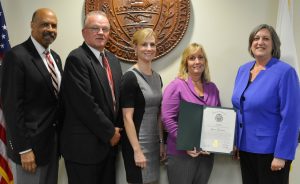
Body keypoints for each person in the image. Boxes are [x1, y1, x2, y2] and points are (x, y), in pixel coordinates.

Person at [232, 24, 300, 184]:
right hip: (245, 149)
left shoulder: (285, 72)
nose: (260, 42)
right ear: (251, 44)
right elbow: (239, 109)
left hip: (272, 153)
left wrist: (282, 154)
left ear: (274, 45)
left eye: (265, 38)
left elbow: (291, 117)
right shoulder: (243, 70)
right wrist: (234, 141)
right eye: (256, 38)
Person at [59, 11, 122, 184]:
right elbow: (84, 104)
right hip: (84, 150)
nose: (101, 32)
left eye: (105, 29)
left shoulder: (113, 60)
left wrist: (116, 132)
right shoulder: (76, 59)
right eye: (95, 28)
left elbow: (116, 102)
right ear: (84, 32)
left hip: (109, 148)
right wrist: (110, 132)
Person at [1, 8, 62, 184]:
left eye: (53, 25)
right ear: (32, 25)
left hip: (52, 145)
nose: (50, 29)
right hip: (30, 150)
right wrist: (23, 149)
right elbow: (11, 106)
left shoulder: (55, 58)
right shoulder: (16, 56)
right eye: (44, 24)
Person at [161, 43, 220, 184]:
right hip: (181, 155)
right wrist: (186, 143)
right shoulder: (176, 86)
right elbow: (167, 119)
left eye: (200, 57)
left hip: (206, 156)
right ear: (185, 62)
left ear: (205, 61)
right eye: (192, 58)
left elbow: (217, 120)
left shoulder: (212, 88)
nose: (197, 61)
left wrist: (214, 144)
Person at [120, 28, 166, 184]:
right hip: (137, 145)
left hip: (154, 145)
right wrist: (137, 151)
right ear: (135, 47)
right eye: (144, 44)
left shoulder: (157, 77)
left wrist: (161, 142)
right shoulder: (130, 77)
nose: (149, 49)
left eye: (152, 45)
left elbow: (159, 114)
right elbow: (127, 117)